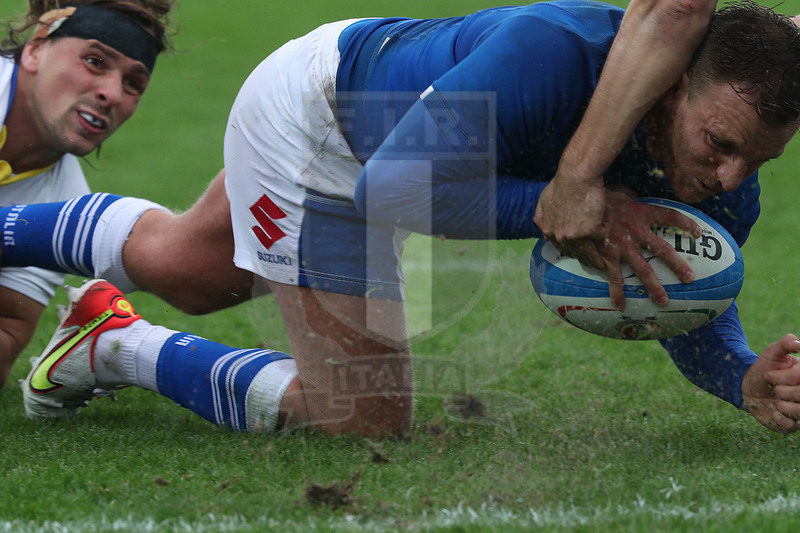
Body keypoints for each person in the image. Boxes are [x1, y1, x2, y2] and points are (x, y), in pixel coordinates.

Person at [9, 0, 800, 436]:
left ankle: (96, 329)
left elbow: (690, 303)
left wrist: (741, 377)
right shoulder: (552, 55)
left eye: (759, 159)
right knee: (362, 417)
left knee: (188, 270)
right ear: (670, 89)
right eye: (720, 143)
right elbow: (389, 192)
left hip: (393, 142)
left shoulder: (726, 182)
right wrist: (548, 205)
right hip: (324, 125)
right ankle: (118, 344)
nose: (731, 176)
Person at [0, 0, 173, 388]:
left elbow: (8, 333)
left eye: (133, 84)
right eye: (95, 61)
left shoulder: (66, 214)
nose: (112, 94)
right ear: (35, 50)